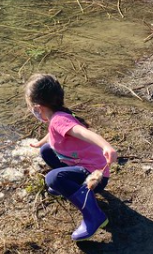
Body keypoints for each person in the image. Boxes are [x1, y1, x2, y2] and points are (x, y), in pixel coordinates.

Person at [25, 73, 118, 241]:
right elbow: (53, 134)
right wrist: (40, 143)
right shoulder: (58, 115)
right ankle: (68, 186)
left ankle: (95, 216)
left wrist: (106, 146)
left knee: (52, 178)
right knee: (46, 150)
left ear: (38, 108)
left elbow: (83, 132)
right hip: (85, 167)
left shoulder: (59, 120)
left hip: (95, 177)